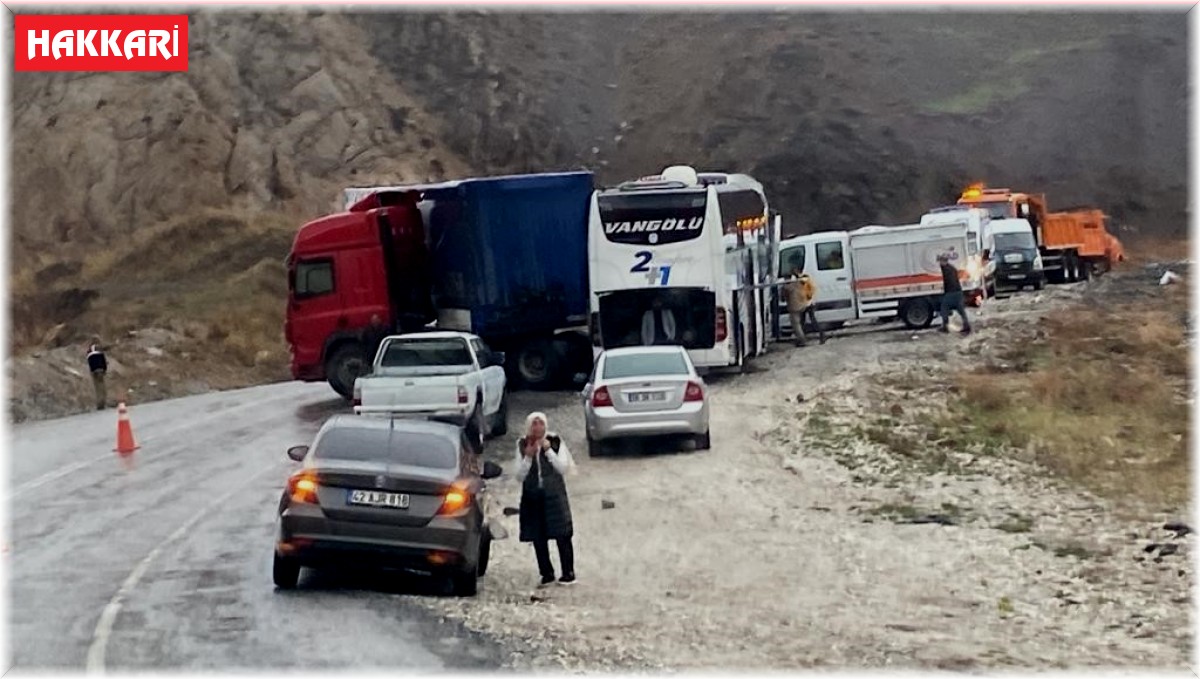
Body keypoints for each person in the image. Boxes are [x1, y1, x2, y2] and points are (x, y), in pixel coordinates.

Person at [515, 411, 577, 586]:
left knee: (562, 534)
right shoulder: (521, 444)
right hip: (532, 496)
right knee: (537, 536)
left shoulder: (556, 442)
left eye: (540, 424)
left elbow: (563, 468)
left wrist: (548, 451)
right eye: (534, 424)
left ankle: (568, 572)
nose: (537, 428)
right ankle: (546, 573)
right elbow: (519, 476)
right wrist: (528, 456)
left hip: (554, 495)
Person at [783, 269, 825, 346]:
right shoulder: (799, 282)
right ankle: (803, 338)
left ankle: (804, 339)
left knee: (804, 323)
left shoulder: (794, 284)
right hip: (805, 304)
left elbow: (785, 296)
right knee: (803, 322)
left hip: (806, 304)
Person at [938, 253, 972, 335]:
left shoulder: (945, 269)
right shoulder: (952, 268)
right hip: (958, 291)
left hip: (951, 292)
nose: (939, 263)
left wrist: (945, 291)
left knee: (944, 308)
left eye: (940, 261)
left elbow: (948, 281)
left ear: (943, 261)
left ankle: (945, 327)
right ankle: (966, 326)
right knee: (961, 310)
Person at [86, 342, 108, 410]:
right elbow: (103, 361)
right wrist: (104, 369)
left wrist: (92, 371)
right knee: (102, 387)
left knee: (97, 388)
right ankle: (102, 403)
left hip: (94, 371)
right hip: (100, 370)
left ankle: (99, 404)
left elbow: (89, 363)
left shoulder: (89, 353)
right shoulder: (100, 351)